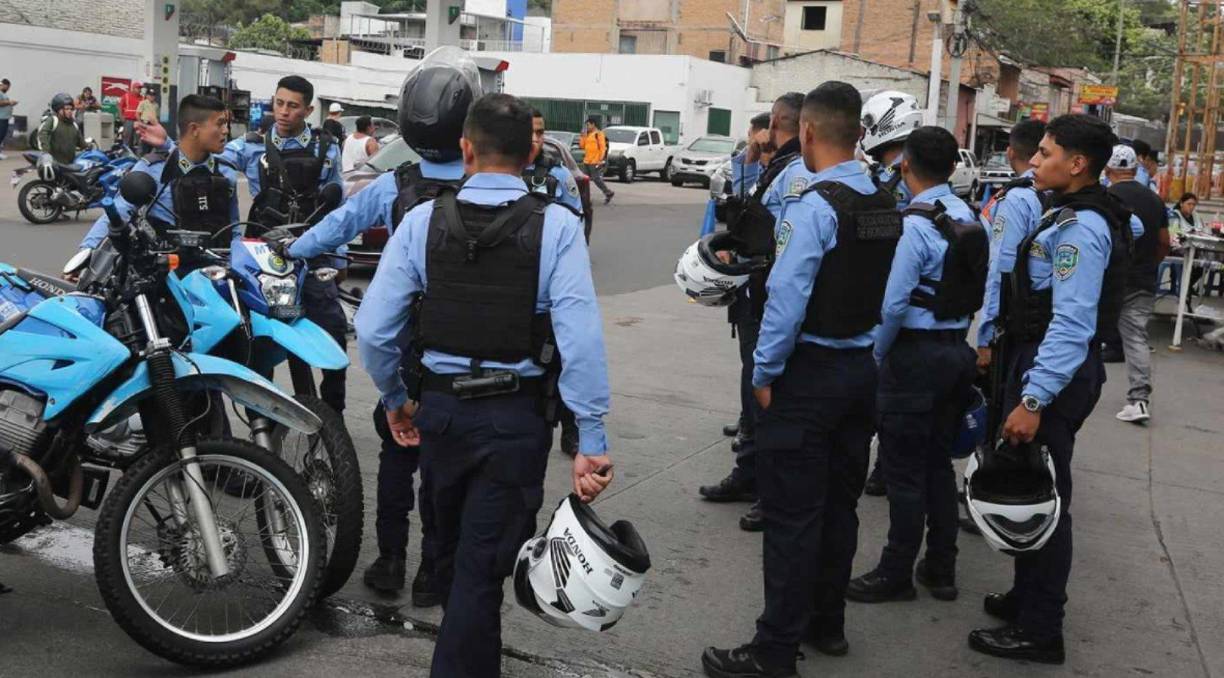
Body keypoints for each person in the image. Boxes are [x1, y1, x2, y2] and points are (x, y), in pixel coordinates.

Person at [354, 92, 612, 678]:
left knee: (458, 565)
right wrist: (590, 438)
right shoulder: (559, 228)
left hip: (439, 417)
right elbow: (581, 343)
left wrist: (397, 400)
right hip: (515, 423)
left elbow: (373, 330)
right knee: (476, 571)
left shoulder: (422, 221)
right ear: (532, 152)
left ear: (465, 150)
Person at [702, 82, 902, 678]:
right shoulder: (884, 200)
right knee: (840, 508)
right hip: (860, 370)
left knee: (792, 517)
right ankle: (827, 624)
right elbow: (890, 301)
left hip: (809, 374)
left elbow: (786, 297)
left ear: (808, 132)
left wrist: (764, 372)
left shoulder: (817, 205)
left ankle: (772, 651)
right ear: (859, 134)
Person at [288, 50, 479, 604]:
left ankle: (391, 561)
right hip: (470, 354)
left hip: (406, 350)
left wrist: (290, 248)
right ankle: (434, 572)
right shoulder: (491, 183)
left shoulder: (395, 185)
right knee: (447, 468)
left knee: (397, 455)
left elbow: (332, 229)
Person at [969, 114, 1141, 665]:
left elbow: (1071, 323)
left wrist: (1033, 399)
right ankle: (1027, 599)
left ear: (1078, 164)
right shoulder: (1080, 213)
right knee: (1028, 483)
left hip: (1054, 371)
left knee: (1044, 499)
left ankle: (1042, 629)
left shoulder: (1082, 229)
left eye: (1045, 154)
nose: (1034, 161)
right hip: (1044, 361)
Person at [846, 125, 982, 606]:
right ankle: (941, 567)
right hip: (954, 353)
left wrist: (876, 357)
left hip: (914, 359)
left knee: (903, 473)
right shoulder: (968, 214)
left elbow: (892, 306)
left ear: (904, 164)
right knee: (938, 467)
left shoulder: (916, 226)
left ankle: (895, 571)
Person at [699, 92, 806, 535]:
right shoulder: (776, 165)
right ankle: (748, 472)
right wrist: (752, 156)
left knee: (768, 397)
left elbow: (774, 238)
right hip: (754, 297)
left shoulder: (795, 171)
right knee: (751, 390)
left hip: (769, 300)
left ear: (778, 121)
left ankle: (768, 489)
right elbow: (746, 205)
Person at [857, 90, 924, 498]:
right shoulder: (897, 173)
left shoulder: (898, 180)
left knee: (884, 386)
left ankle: (884, 465)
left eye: (869, 124)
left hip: (891, 296)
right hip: (894, 293)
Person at [78, 95, 239, 251]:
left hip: (217, 270)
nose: (226, 131)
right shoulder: (153, 169)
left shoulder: (226, 172)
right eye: (220, 124)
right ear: (194, 129)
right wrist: (87, 251)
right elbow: (119, 211)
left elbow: (234, 227)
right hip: (164, 271)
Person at [976, 120, 1048, 370]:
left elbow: (1001, 269)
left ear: (1010, 152)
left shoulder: (1016, 199)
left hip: (1018, 323)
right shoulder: (1058, 191)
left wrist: (986, 335)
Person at [1105, 145, 1169, 425]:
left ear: (1108, 171)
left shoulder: (1106, 197)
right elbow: (1164, 241)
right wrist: (1150, 264)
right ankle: (1139, 399)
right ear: (1135, 169)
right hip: (1143, 278)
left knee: (1086, 333)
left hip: (1111, 280)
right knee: (1135, 337)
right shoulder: (1154, 200)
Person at [37, 93, 86, 165]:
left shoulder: (74, 124)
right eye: (66, 109)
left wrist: (88, 146)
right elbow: (43, 133)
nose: (70, 111)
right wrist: (46, 152)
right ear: (59, 110)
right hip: (54, 164)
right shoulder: (53, 120)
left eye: (71, 109)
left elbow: (80, 142)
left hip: (70, 164)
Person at [580, 116, 614, 204]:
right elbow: (582, 146)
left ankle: (608, 192)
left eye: (588, 125)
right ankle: (584, 197)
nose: (587, 127)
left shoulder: (599, 134)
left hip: (595, 161)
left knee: (596, 179)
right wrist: (583, 136)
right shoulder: (588, 134)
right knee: (583, 180)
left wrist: (600, 159)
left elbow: (603, 148)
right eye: (586, 125)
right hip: (587, 160)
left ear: (593, 124)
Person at [120, 80, 143, 148]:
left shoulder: (142, 98)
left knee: (138, 140)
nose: (139, 90)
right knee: (127, 139)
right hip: (128, 121)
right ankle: (126, 154)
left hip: (138, 121)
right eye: (138, 88)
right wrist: (121, 117)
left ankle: (137, 155)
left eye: (140, 88)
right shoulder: (126, 96)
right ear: (133, 88)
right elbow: (119, 107)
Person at [0, 79, 15, 160]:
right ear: (4, 85)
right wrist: (10, 103)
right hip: (1, 118)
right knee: (0, 135)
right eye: (8, 87)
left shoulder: (3, 94)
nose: (8, 88)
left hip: (4, 118)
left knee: (2, 136)